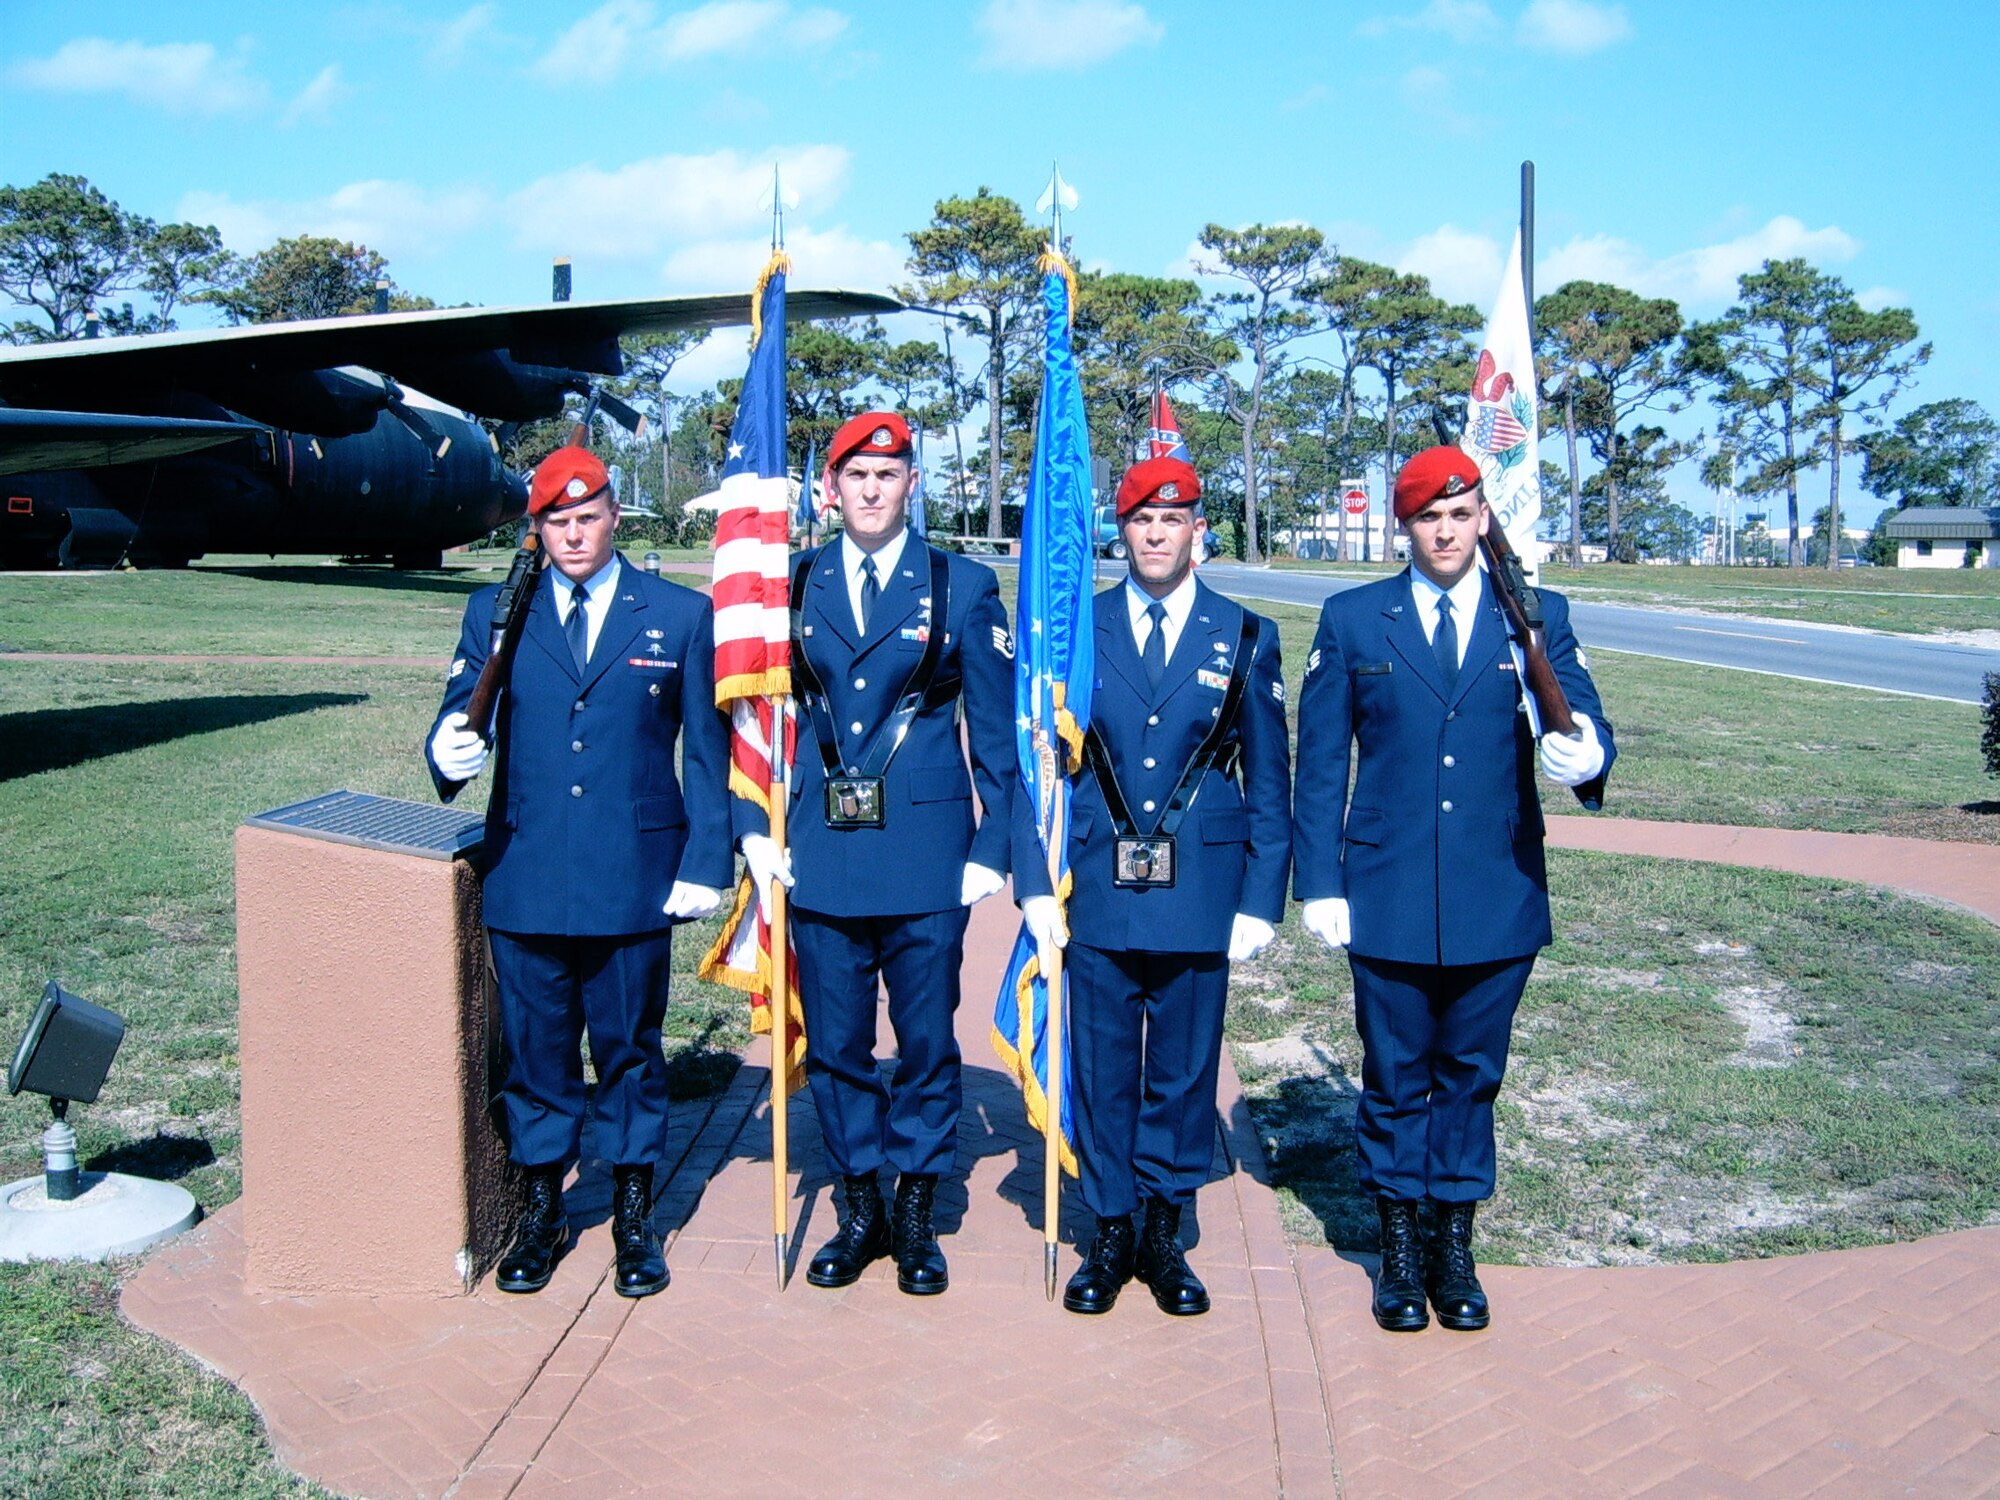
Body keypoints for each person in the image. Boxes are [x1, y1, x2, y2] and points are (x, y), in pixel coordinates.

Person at [1292, 444, 1614, 1333]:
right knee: (1395, 1076)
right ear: (1407, 524)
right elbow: (1320, 761)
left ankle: (1454, 1248)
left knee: (1472, 1078)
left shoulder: (1533, 615)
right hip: (1386, 888)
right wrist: (1319, 880)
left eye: (1460, 513)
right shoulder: (1356, 618)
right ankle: (1398, 1252)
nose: (1444, 529)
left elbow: (1582, 713)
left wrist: (1586, 752)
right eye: (1428, 515)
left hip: (1494, 889)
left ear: (1483, 519)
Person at [427, 445, 732, 1299]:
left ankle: (635, 1219)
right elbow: (460, 721)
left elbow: (707, 755)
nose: (573, 533)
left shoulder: (677, 613)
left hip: (635, 874)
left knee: (631, 1051)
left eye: (587, 515)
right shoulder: (496, 612)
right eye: (555, 521)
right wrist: (446, 746)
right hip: (527, 872)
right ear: (536, 529)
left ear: (614, 515)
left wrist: (706, 858)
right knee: (537, 1057)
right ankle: (542, 1213)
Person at [736, 410, 1014, 1297]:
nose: (870, 489)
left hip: (929, 855)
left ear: (910, 486)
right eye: (855, 475)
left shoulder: (961, 586)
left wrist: (992, 841)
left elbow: (998, 734)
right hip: (819, 847)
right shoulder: (788, 585)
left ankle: (917, 1211)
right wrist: (755, 828)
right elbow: (752, 715)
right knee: (841, 1046)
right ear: (830, 487)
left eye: (888, 476)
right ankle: (860, 1207)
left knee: (929, 1041)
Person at [1017, 454, 1292, 1318]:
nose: (1157, 534)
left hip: (1200, 890)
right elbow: (1037, 767)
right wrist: (1036, 879)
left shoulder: (1246, 636)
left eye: (1173, 521)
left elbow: (1270, 780)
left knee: (1181, 1073)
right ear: (1121, 532)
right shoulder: (1077, 631)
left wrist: (1260, 897)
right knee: (1100, 1072)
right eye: (1141, 520)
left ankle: (1166, 1232)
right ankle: (1109, 1230)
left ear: (1197, 532)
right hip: (1095, 882)